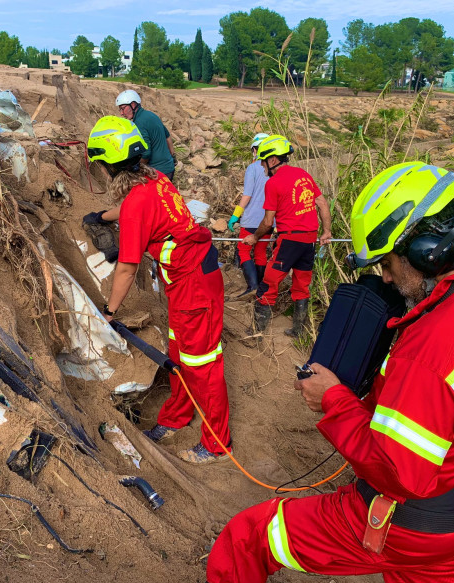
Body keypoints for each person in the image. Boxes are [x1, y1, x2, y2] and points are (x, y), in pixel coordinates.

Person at [197, 161, 454, 583]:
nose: (384, 276)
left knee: (249, 537)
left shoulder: (429, 351)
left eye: (387, 262)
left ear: (426, 251)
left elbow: (399, 472)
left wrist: (334, 401)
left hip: (407, 525)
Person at [84, 116, 232, 465]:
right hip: (185, 285)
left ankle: (217, 445)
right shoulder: (155, 179)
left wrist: (110, 311)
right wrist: (103, 217)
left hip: (195, 287)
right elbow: (133, 207)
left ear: (108, 165)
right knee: (182, 358)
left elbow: (127, 266)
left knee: (204, 366)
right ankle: (175, 418)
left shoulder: (137, 201)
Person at [243, 135, 332, 337]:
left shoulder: (273, 184)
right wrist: (326, 231)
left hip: (289, 241)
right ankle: (298, 331)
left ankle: (256, 333)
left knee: (267, 284)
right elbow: (322, 203)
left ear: (273, 160)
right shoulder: (303, 175)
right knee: (302, 286)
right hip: (309, 241)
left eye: (263, 162)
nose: (263, 167)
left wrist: (254, 238)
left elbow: (267, 222)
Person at [227, 132, 270, 299]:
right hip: (268, 219)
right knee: (260, 252)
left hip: (252, 218)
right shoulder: (275, 169)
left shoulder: (253, 168)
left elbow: (247, 195)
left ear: (255, 149)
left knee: (244, 251)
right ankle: (261, 289)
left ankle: (253, 286)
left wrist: (235, 215)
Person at [115, 90, 177, 180]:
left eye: (123, 108)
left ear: (132, 105)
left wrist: (136, 170)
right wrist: (173, 156)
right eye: (120, 109)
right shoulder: (151, 115)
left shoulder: (139, 123)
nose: (121, 113)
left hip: (158, 172)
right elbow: (167, 136)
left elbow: (146, 153)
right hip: (169, 168)